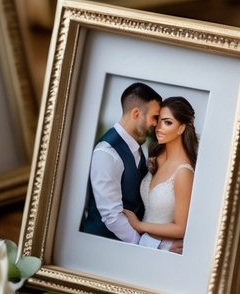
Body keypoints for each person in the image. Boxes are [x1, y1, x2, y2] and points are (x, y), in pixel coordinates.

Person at [79, 81, 163, 244]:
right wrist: (146, 246)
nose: (155, 124)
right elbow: (111, 216)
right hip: (102, 245)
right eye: (154, 117)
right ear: (136, 113)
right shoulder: (107, 152)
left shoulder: (138, 149)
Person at [123, 96, 197, 253]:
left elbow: (180, 228)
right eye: (159, 120)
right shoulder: (155, 157)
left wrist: (139, 225)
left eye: (168, 122)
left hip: (162, 251)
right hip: (139, 244)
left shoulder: (183, 172)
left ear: (182, 128)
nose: (159, 127)